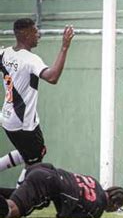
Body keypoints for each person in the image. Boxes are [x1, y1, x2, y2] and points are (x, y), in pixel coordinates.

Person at [0, 18, 74, 185]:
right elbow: (53, 77)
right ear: (25, 34)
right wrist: (64, 47)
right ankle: (18, 200)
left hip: (7, 117)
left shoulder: (5, 53)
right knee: (34, 163)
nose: (38, 34)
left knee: (27, 152)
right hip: (23, 122)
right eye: (35, 31)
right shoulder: (30, 59)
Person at [0, 162, 123, 218]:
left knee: (23, 196)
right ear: (115, 204)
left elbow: (72, 188)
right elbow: (66, 214)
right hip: (47, 181)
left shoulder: (95, 182)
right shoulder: (97, 210)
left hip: (45, 168)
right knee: (12, 210)